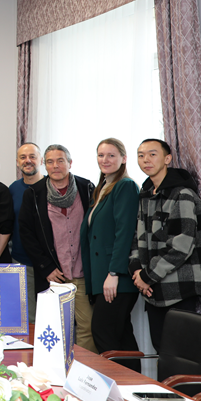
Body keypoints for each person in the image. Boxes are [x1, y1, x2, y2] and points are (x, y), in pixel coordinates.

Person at [130, 138, 201, 351]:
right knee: (161, 350)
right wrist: (137, 271)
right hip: (153, 289)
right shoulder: (146, 194)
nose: (146, 159)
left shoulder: (182, 195)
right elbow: (138, 238)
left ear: (167, 159)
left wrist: (146, 276)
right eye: (141, 155)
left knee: (182, 352)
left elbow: (181, 247)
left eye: (152, 154)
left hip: (180, 288)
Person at [19, 144, 97, 352]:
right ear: (44, 165)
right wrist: (45, 267)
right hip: (53, 275)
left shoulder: (87, 188)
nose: (55, 166)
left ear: (70, 163)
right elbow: (27, 234)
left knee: (88, 327)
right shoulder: (33, 194)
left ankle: (86, 368)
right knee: (54, 329)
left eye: (60, 160)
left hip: (82, 272)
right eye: (50, 161)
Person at [80, 138, 140, 358]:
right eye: (101, 155)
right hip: (103, 276)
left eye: (111, 155)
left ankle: (119, 379)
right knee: (121, 336)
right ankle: (133, 379)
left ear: (123, 159)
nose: (105, 160)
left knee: (103, 332)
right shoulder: (103, 188)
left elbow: (125, 232)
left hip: (116, 276)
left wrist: (114, 273)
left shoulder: (125, 185)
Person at [9, 143, 43, 319]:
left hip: (49, 265)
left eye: (32, 156)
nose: (27, 161)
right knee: (26, 317)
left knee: (50, 316)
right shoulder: (13, 189)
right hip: (21, 261)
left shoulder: (51, 186)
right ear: (17, 162)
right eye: (23, 157)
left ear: (41, 160)